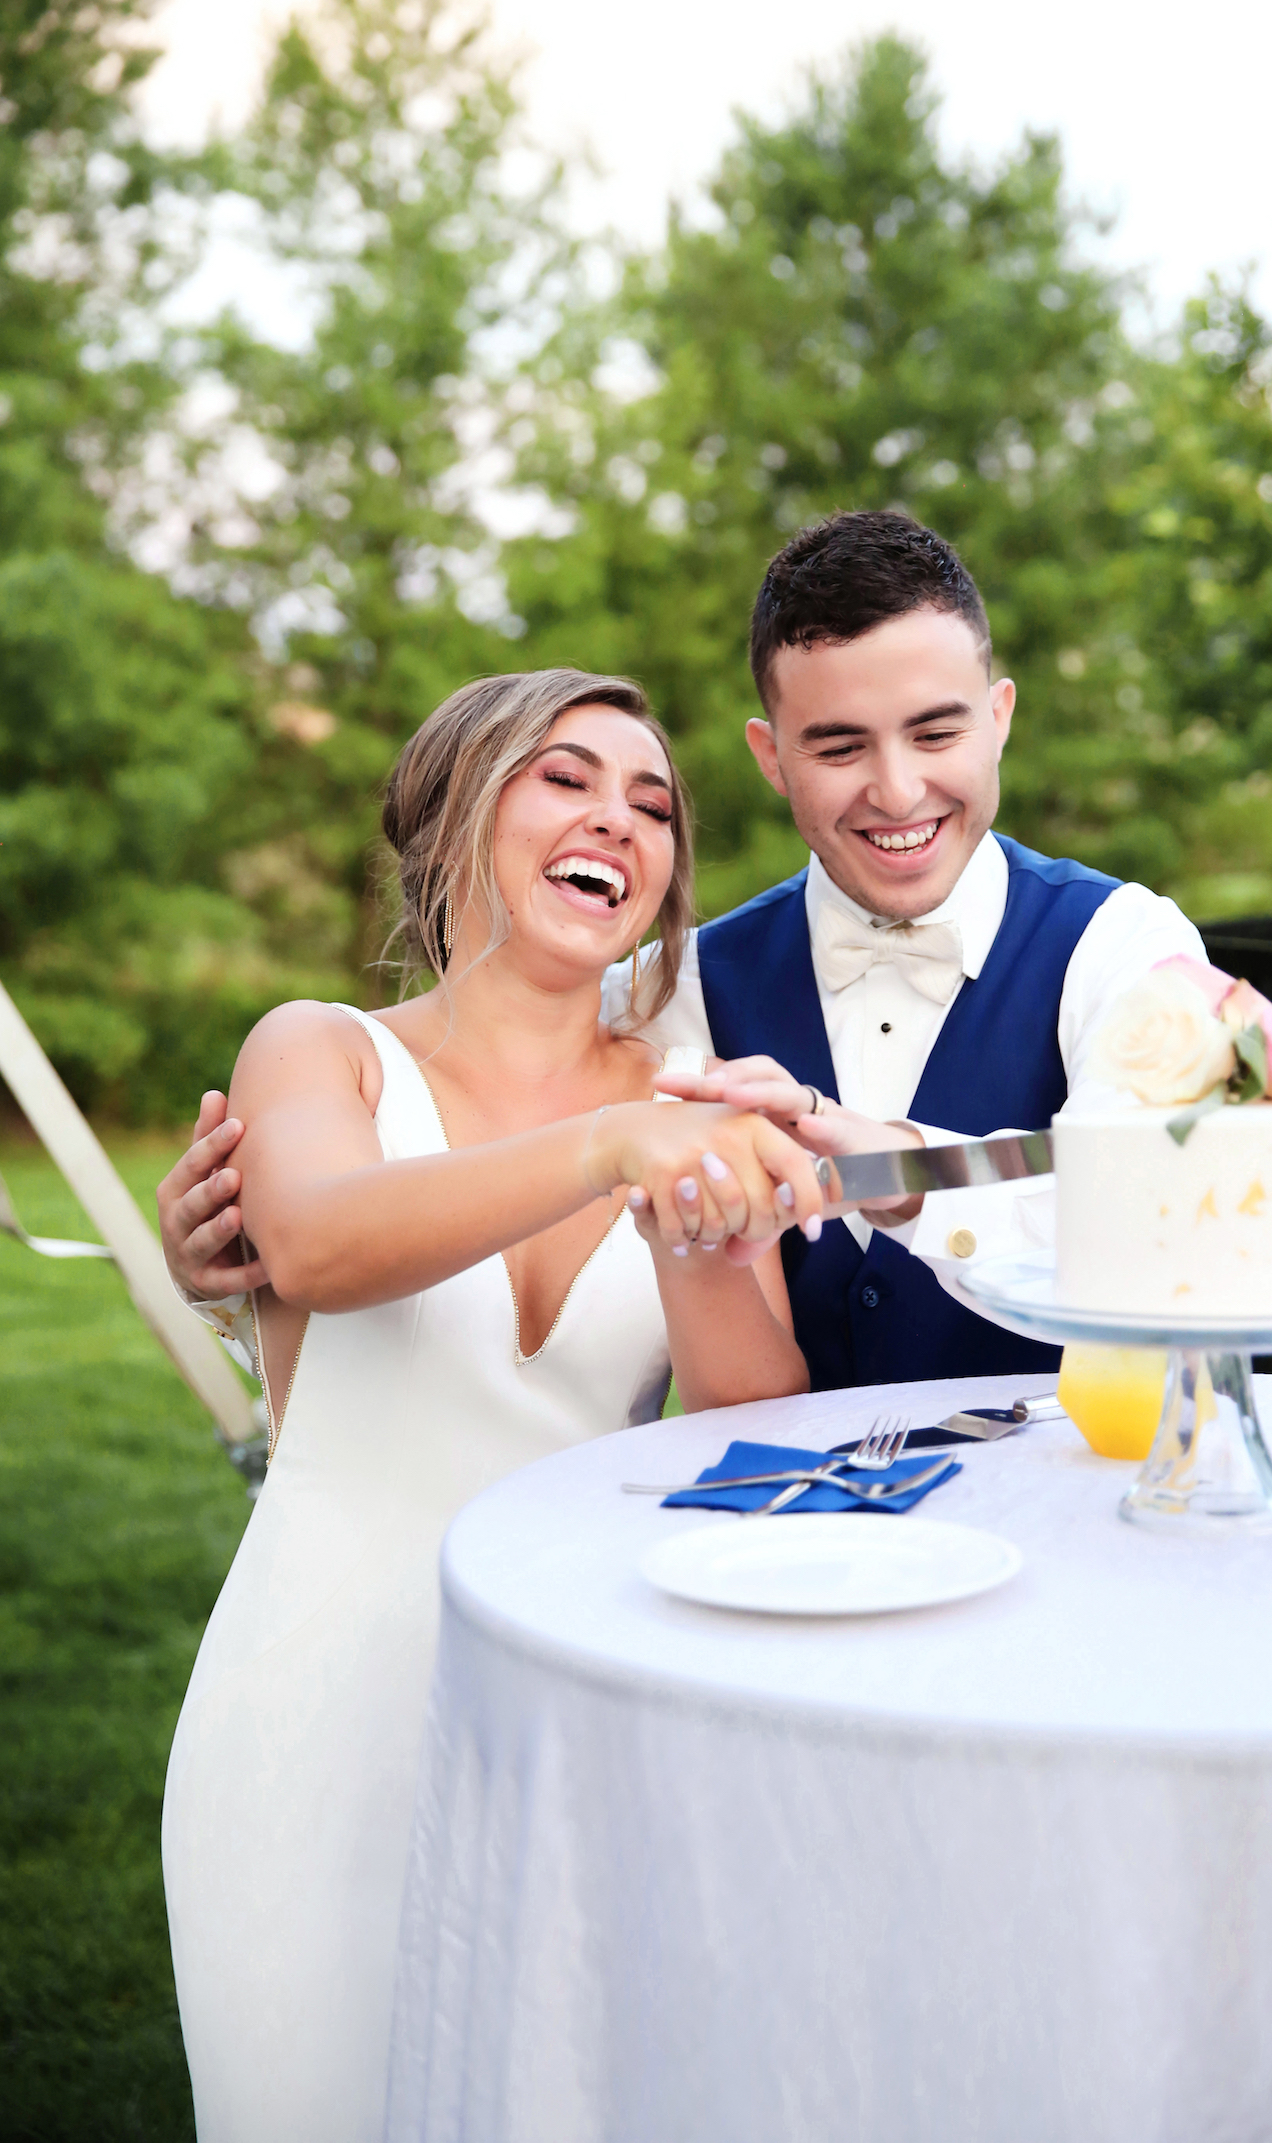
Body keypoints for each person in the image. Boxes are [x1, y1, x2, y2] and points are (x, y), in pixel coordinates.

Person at [160, 667, 824, 2143]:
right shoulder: (321, 1048)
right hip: (313, 1713)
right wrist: (610, 1142)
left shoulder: (683, 1100)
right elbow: (322, 1244)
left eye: (652, 804)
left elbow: (745, 1417)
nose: (619, 821)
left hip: (573, 1718)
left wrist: (704, 1226)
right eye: (567, 778)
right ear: (460, 809)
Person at [162, 510, 1207, 1387]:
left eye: (935, 735)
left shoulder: (1123, 946)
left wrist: (911, 1177)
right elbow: (473, 1108)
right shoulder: (663, 1003)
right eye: (839, 746)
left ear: (999, 718)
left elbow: (1191, 1223)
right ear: (772, 758)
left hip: (1071, 1520)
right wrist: (228, 1266)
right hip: (771, 1565)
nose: (896, 790)